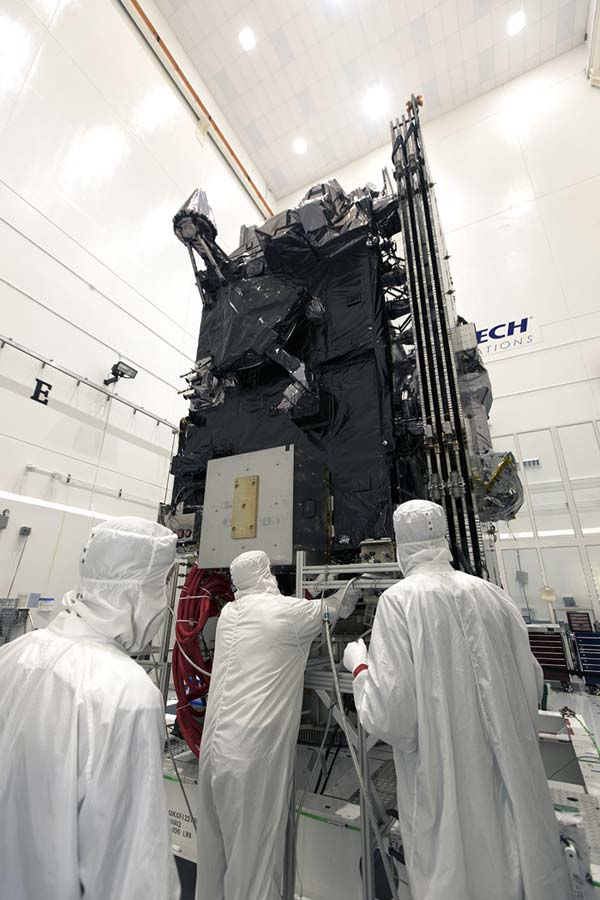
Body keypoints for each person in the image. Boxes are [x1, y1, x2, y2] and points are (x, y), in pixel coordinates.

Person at [343, 499, 569, 900]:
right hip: (517, 782)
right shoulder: (494, 595)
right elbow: (531, 687)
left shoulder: (399, 601)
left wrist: (359, 667)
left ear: (399, 546)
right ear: (444, 536)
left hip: (448, 792)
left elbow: (392, 718)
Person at [0, 516, 180, 900]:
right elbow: (132, 867)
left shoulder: (12, 655)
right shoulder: (126, 694)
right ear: (140, 590)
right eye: (162, 585)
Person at [195, 549, 359, 900]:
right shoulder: (286, 613)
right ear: (266, 574)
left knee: (214, 857)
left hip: (213, 752)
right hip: (250, 757)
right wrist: (355, 585)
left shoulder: (229, 613)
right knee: (255, 860)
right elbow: (335, 609)